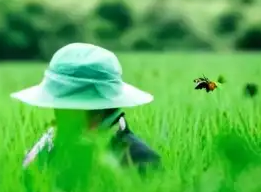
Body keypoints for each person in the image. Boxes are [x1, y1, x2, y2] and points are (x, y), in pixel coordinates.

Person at [12, 42, 160, 171]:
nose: (58, 116)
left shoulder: (141, 160)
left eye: (64, 109)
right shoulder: (48, 150)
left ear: (99, 111)